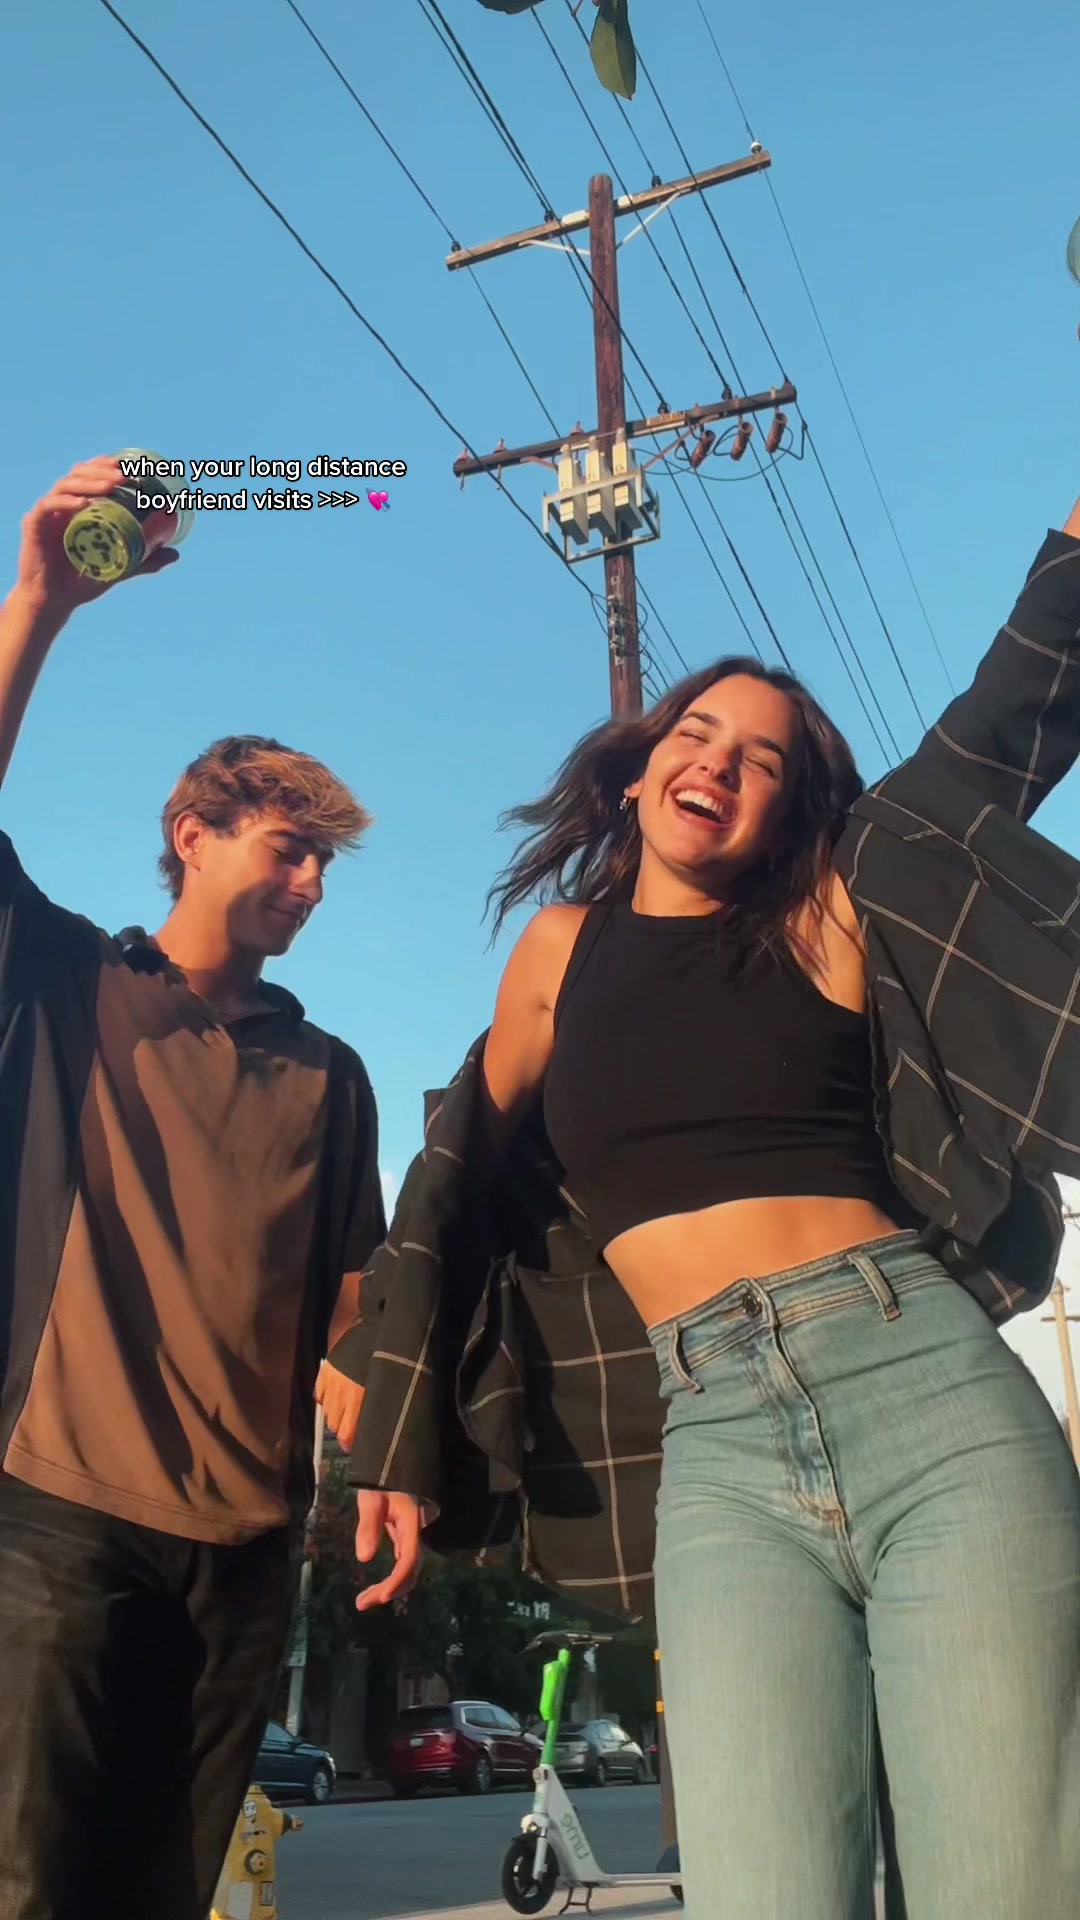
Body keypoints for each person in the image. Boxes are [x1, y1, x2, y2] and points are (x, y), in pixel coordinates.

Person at [333, 496, 1080, 1919]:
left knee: (1006, 1888)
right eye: (697, 733)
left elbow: (1010, 711)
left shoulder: (833, 911)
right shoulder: (559, 953)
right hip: (717, 1449)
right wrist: (389, 1402)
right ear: (637, 772)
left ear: (792, 809)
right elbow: (454, 1181)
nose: (720, 763)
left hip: (928, 1395)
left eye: (764, 759)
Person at [0, 457, 385, 1920]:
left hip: (243, 1556)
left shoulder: (330, 1072)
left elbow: (351, 1295)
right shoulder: (68, 981)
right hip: (54, 1520)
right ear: (194, 834)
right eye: (292, 850)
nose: (313, 884)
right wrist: (41, 602)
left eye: (327, 864)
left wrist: (387, 1448)